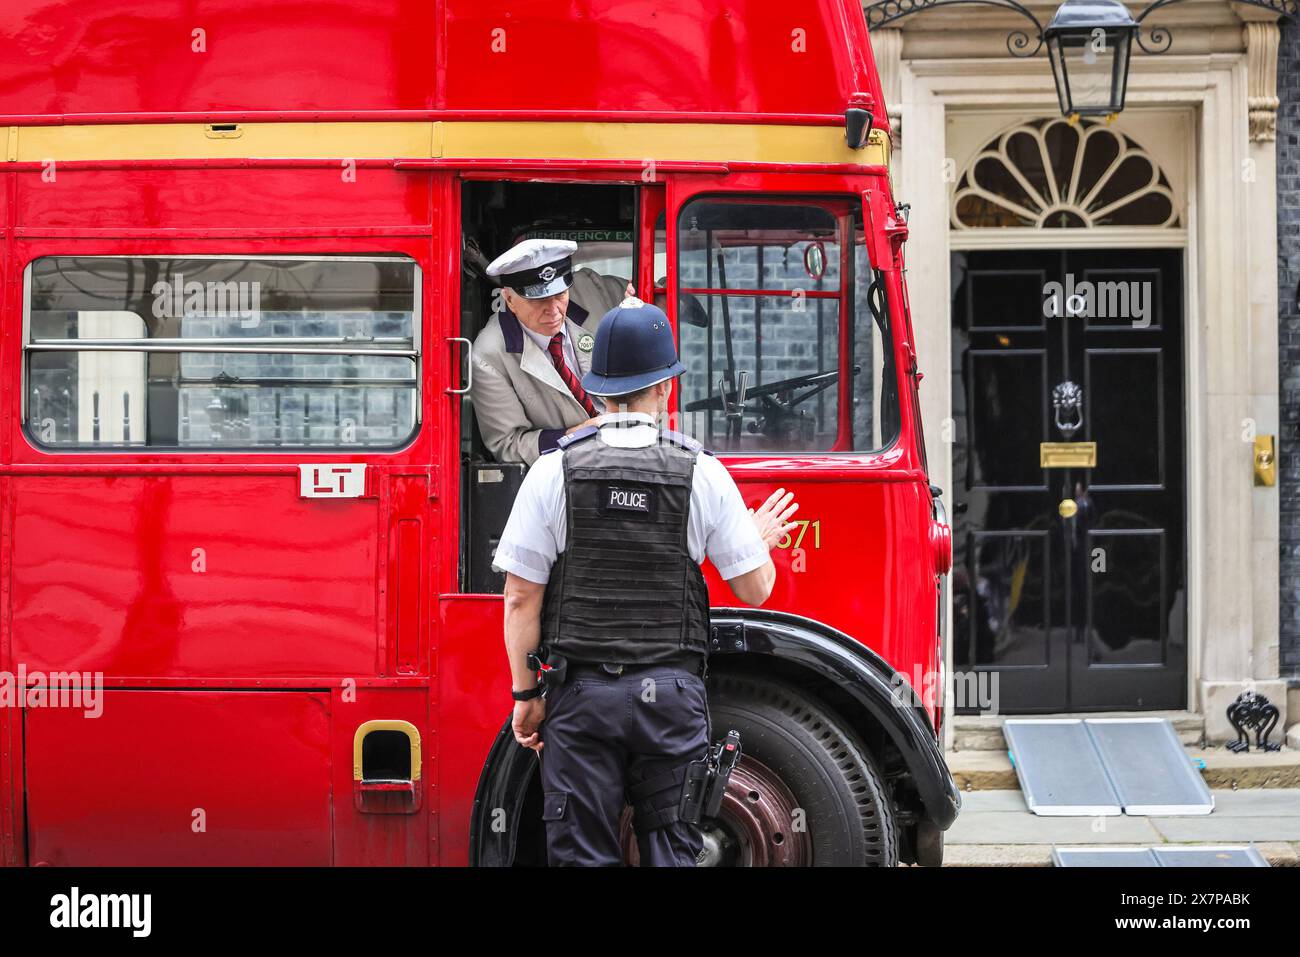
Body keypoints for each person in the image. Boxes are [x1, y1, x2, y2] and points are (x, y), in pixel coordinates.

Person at [491, 296, 800, 866]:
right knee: (674, 853)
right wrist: (757, 540)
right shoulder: (701, 471)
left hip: (579, 697)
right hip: (670, 700)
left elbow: (520, 596)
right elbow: (755, 590)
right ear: (665, 388)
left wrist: (526, 696)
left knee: (581, 856)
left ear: (599, 390)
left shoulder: (552, 470)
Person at [471, 238, 630, 466]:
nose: (554, 310)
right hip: (572, 472)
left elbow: (660, 291)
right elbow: (509, 443)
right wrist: (576, 435)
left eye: (560, 295)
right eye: (539, 301)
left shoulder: (592, 289)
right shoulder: (488, 355)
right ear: (509, 299)